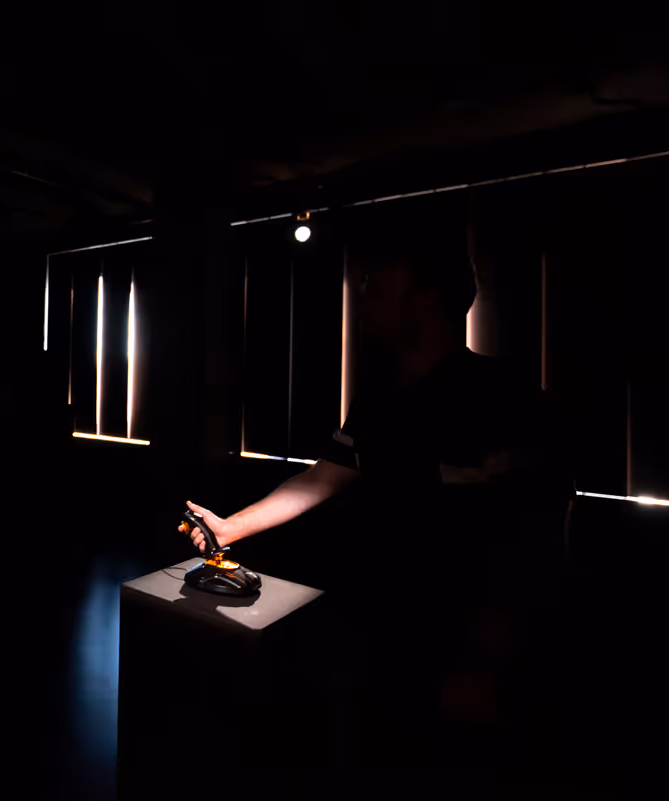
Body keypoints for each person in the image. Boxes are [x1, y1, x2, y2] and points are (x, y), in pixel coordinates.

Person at [178, 210, 573, 797]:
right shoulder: (380, 397)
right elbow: (323, 478)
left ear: (426, 297)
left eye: (378, 281)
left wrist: (487, 660)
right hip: (383, 645)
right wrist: (229, 527)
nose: (362, 292)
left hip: (471, 663)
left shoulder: (506, 398)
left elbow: (534, 537)